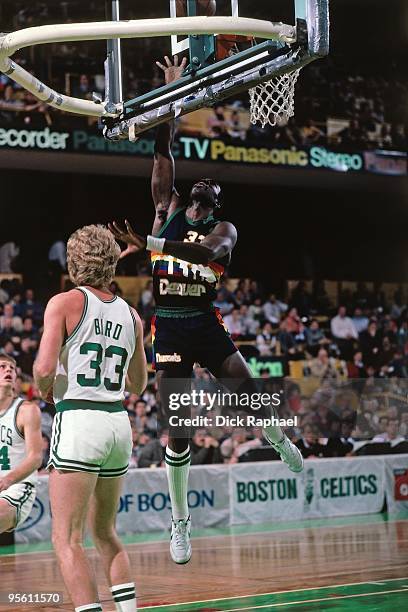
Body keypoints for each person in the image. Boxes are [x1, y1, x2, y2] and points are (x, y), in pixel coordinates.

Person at [109, 55, 303, 566]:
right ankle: (180, 523)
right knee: (178, 429)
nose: (202, 188)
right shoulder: (167, 207)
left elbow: (203, 256)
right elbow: (162, 148)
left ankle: (279, 440)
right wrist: (171, 97)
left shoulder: (224, 232)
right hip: (169, 329)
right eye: (197, 186)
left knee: (249, 398)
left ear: (214, 203)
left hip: (205, 323)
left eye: (209, 190)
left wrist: (149, 242)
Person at [34, 225, 147, 612]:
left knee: (66, 539)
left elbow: (44, 368)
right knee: (106, 532)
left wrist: (46, 387)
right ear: (112, 263)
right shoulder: (132, 316)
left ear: (74, 260)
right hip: (118, 424)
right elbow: (138, 384)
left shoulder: (63, 303)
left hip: (80, 420)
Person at [0, 354, 42, 535]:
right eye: (2, 367)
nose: (8, 369)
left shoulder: (26, 410)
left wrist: (6, 480)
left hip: (17, 488)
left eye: (11, 368)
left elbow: (35, 458)